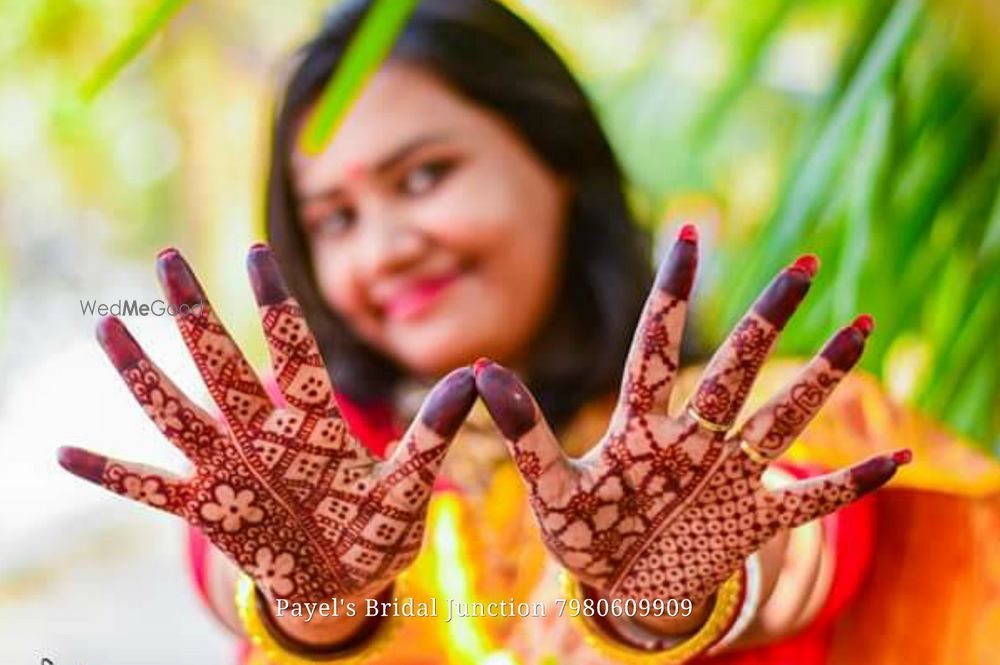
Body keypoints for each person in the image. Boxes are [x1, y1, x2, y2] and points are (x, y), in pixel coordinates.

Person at [58, 1, 1000, 663]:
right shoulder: (298, 459)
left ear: (558, 160)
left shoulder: (742, 433)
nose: (383, 247)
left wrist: (663, 590)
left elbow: (794, 563)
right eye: (335, 218)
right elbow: (236, 572)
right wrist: (321, 594)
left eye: (423, 176)